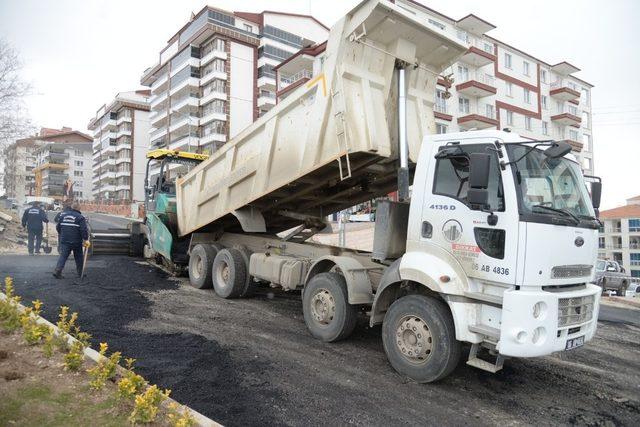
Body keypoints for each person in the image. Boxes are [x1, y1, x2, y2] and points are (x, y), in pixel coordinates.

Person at [53, 201, 90, 279]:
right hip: (76, 241)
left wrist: (62, 234)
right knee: (79, 257)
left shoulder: (63, 216)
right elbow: (83, 230)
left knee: (63, 256)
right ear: (78, 208)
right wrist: (86, 239)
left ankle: (57, 271)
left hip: (64, 240)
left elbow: (58, 227)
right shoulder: (80, 217)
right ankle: (80, 273)